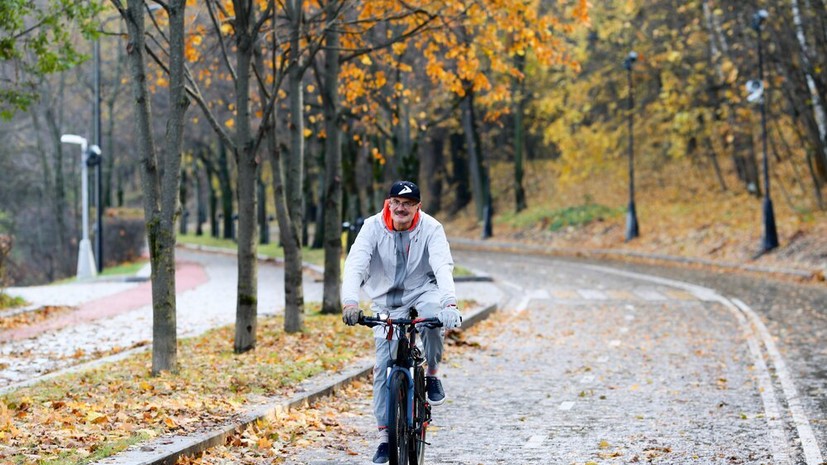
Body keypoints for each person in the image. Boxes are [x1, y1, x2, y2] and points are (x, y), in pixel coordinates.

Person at [342, 180, 462, 464]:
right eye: (396, 202)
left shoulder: (431, 228)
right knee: (383, 367)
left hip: (423, 292)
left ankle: (431, 374)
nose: (401, 208)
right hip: (384, 301)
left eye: (408, 204)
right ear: (388, 203)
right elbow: (355, 264)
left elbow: (443, 266)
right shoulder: (372, 227)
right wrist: (350, 302)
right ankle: (385, 437)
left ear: (417, 207)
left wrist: (449, 303)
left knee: (432, 322)